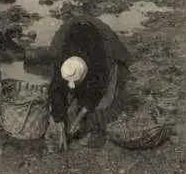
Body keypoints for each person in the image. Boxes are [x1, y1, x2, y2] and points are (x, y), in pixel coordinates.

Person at [47, 14, 132, 151]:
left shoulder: (97, 60)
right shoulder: (61, 63)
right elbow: (56, 91)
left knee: (104, 103)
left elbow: (96, 90)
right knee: (63, 98)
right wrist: (60, 126)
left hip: (99, 41)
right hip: (70, 34)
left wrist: (78, 119)